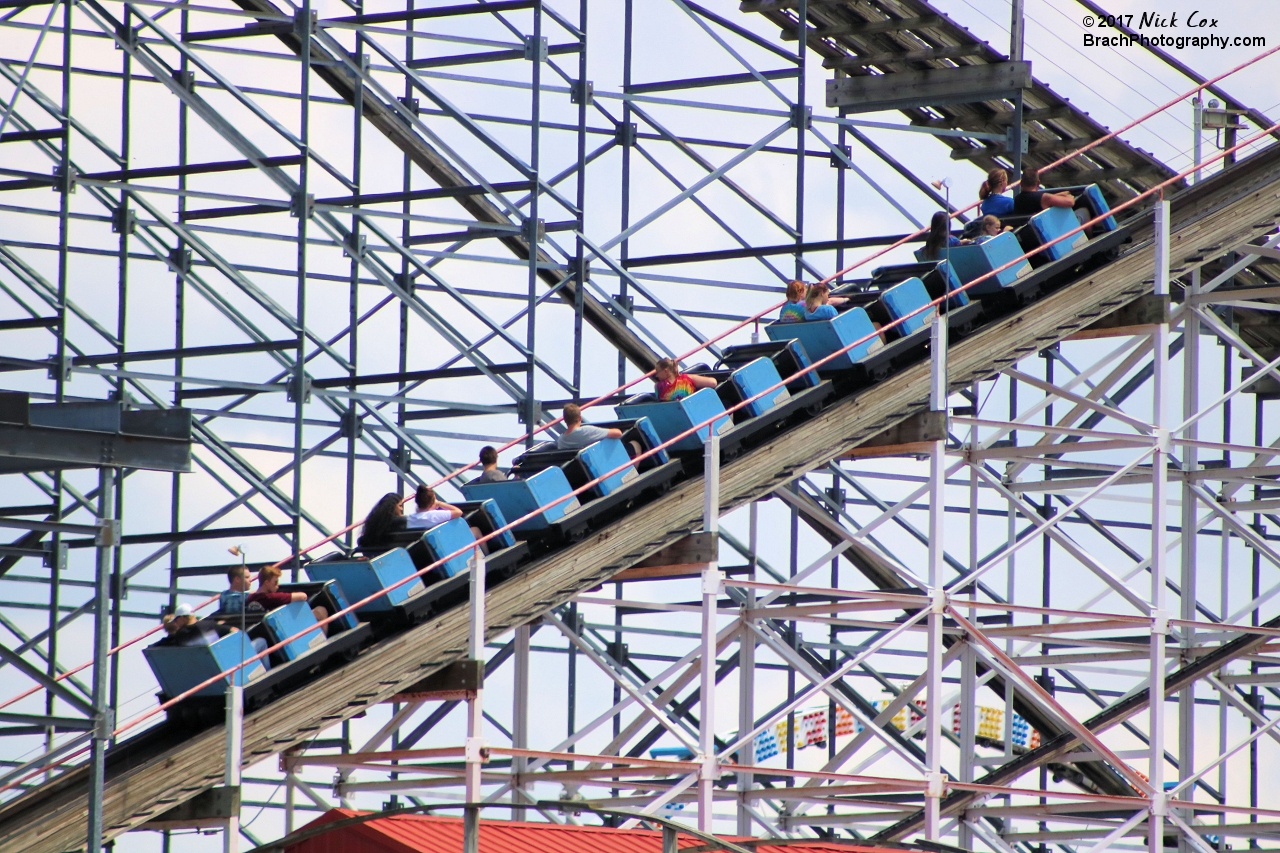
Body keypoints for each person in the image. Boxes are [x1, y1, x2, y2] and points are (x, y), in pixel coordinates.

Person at [247, 564, 330, 634]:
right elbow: (303, 596)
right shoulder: (272, 597)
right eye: (275, 582)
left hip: (266, 631)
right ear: (267, 583)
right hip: (284, 629)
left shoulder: (251, 598)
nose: (278, 585)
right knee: (321, 611)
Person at [556, 403, 623, 451]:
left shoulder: (561, 440)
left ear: (565, 420)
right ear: (580, 418)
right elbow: (618, 433)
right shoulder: (586, 431)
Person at [652, 357, 718, 402]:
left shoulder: (658, 387)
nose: (657, 376)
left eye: (658, 372)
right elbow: (713, 383)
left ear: (665, 371)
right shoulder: (687, 379)